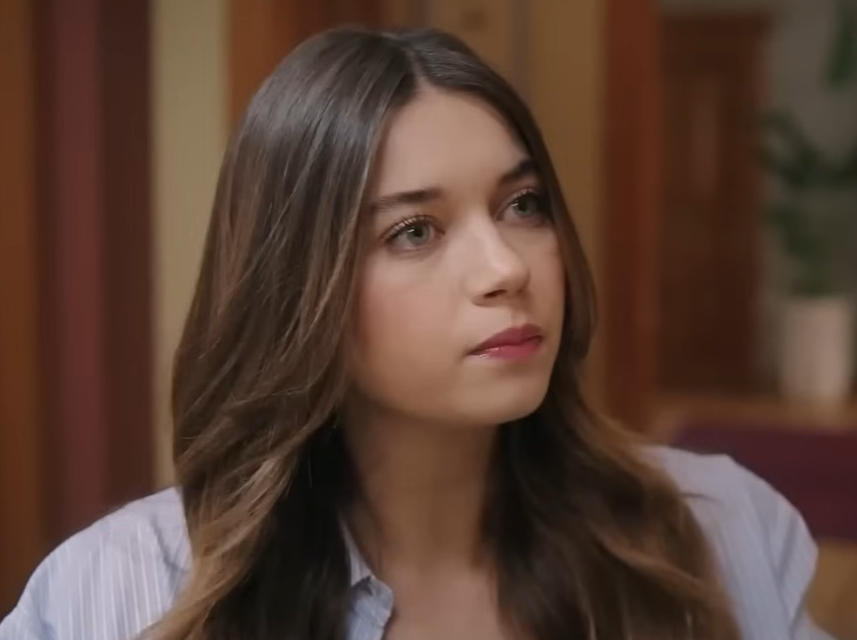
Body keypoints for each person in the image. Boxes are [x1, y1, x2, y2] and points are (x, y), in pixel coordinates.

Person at [0, 26, 834, 640]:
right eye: (413, 232)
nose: (503, 267)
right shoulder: (124, 592)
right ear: (298, 288)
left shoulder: (715, 531)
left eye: (522, 205)